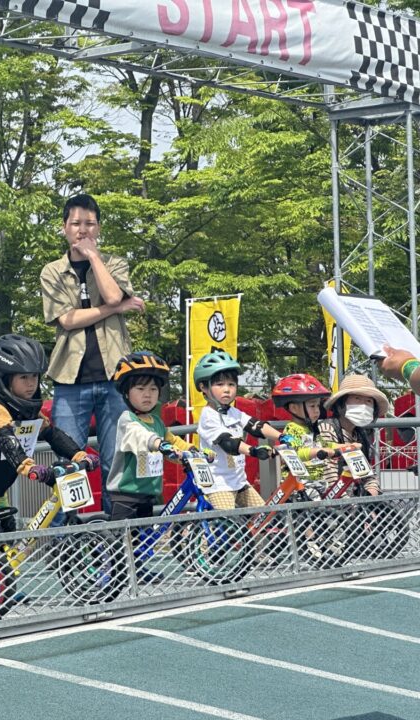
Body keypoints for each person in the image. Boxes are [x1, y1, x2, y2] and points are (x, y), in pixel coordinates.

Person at [40, 193, 144, 513]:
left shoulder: (114, 263)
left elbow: (112, 294)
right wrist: (117, 308)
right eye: (76, 223)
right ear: (64, 228)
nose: (83, 230)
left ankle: (118, 538)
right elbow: (67, 320)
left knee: (116, 463)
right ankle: (65, 540)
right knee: (68, 466)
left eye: (90, 223)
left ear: (98, 228)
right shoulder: (52, 271)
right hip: (70, 381)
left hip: (116, 378)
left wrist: (95, 258)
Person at [0, 334, 88, 529]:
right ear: (5, 380)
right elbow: (7, 438)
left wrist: (79, 454)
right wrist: (28, 467)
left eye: (34, 376)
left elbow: (52, 434)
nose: (31, 383)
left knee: (8, 539)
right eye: (23, 377)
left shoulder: (29, 411)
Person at [105, 352, 196, 521]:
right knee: (122, 537)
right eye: (140, 389)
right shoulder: (127, 420)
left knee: (146, 536)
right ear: (126, 393)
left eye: (153, 389)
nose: (147, 394)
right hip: (126, 495)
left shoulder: (157, 422)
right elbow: (140, 435)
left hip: (148, 495)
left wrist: (193, 450)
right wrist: (158, 444)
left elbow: (173, 441)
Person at [194, 351, 285, 510]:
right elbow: (228, 443)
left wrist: (282, 436)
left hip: (239, 482)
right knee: (226, 520)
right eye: (220, 384)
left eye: (231, 384)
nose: (227, 389)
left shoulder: (232, 412)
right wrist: (254, 451)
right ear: (204, 387)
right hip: (218, 485)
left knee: (264, 516)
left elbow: (255, 425)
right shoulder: (208, 416)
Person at [271, 374, 357, 498]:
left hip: (318, 480)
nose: (317, 410)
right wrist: (316, 451)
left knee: (340, 497)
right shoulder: (292, 429)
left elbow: (326, 445)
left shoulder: (312, 429)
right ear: (294, 408)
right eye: (312, 406)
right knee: (316, 501)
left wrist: (346, 446)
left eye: (318, 406)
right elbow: (293, 453)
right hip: (299, 483)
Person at [318, 374, 387, 497]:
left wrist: (371, 495)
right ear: (341, 403)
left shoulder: (360, 435)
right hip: (333, 501)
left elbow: (367, 475)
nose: (364, 405)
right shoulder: (327, 430)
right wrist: (349, 504)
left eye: (369, 401)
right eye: (357, 398)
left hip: (355, 500)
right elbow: (329, 477)